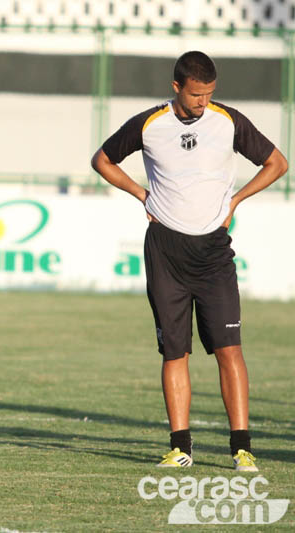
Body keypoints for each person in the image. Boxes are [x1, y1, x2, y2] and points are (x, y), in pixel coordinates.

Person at [91, 51, 287, 471]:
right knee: (174, 352)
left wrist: (236, 199)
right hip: (165, 250)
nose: (203, 101)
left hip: (214, 252)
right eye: (197, 94)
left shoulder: (228, 121)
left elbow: (277, 163)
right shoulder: (149, 124)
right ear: (177, 86)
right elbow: (102, 160)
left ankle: (241, 448)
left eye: (210, 93)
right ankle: (181, 446)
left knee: (229, 349)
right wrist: (141, 194)